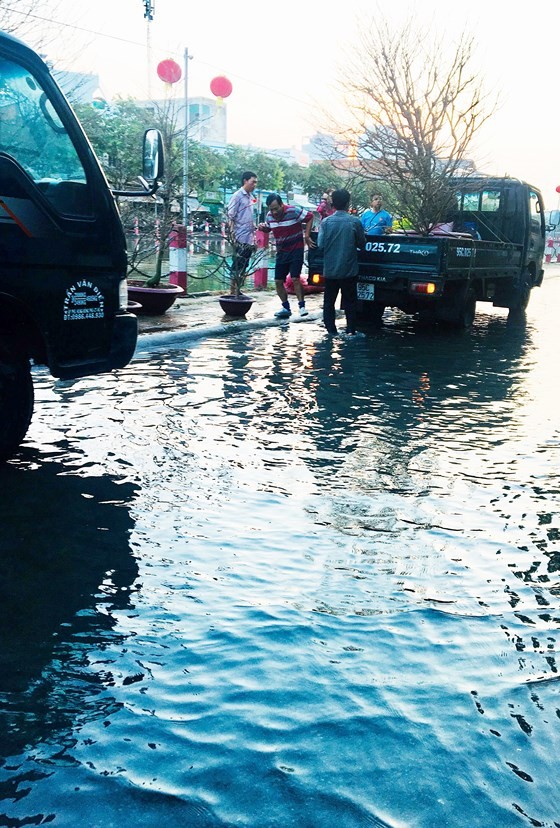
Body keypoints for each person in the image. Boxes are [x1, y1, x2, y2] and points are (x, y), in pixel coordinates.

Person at [318, 188, 365, 336]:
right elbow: (362, 243)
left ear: (333, 203)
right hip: (349, 270)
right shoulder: (354, 222)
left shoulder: (326, 223)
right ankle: (350, 330)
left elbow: (320, 244)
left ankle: (331, 331)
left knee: (329, 302)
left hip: (331, 270)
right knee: (350, 301)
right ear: (347, 203)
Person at [258, 194, 314, 318]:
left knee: (295, 278)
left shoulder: (293, 211)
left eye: (276, 208)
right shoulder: (269, 216)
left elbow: (310, 217)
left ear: (282, 205)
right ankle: (285, 307)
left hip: (296, 249)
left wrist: (307, 235)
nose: (274, 212)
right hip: (282, 251)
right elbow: (269, 228)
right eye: (271, 209)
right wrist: (263, 228)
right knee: (278, 281)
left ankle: (302, 306)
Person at [226, 171, 258, 293]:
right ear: (245, 181)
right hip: (239, 237)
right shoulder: (237, 196)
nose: (254, 185)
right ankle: (232, 291)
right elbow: (231, 216)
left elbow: (249, 218)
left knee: (244, 265)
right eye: (252, 182)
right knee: (237, 265)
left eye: (255, 182)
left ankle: (238, 290)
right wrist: (233, 237)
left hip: (248, 238)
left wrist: (254, 238)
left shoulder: (251, 197)